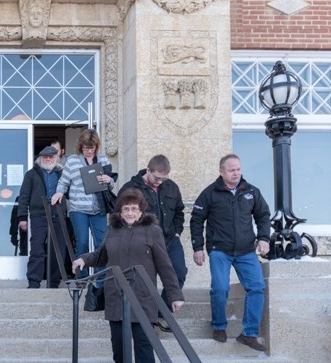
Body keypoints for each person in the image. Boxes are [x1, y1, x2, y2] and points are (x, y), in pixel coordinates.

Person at [72, 188, 185, 363]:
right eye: (126, 209)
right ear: (120, 211)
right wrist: (83, 260)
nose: (130, 213)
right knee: (119, 349)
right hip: (116, 297)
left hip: (143, 297)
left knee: (144, 347)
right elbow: (100, 255)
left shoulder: (152, 230)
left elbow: (165, 265)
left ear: (141, 211)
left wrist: (174, 295)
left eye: (134, 208)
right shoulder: (112, 230)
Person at [190, 154, 270, 352]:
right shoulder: (210, 193)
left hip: (246, 251)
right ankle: (218, 326)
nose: (236, 173)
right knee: (220, 288)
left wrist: (264, 238)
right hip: (220, 250)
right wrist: (198, 247)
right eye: (232, 170)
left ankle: (249, 334)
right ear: (222, 172)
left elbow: (263, 215)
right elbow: (196, 220)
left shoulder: (251, 191)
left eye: (238, 169)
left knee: (257, 287)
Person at [118, 154, 187, 333]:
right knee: (143, 280)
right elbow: (119, 216)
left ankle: (160, 314)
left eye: (164, 178)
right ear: (148, 170)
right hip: (143, 242)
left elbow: (180, 211)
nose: (159, 182)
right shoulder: (131, 188)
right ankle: (143, 318)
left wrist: (178, 231)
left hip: (170, 240)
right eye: (157, 178)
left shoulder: (171, 187)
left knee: (179, 272)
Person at [51, 129, 115, 279]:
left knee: (101, 243)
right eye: (86, 147)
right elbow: (64, 182)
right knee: (82, 242)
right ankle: (82, 278)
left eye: (92, 148)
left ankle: (101, 279)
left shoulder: (103, 160)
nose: (89, 151)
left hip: (98, 208)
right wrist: (59, 192)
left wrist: (109, 180)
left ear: (96, 147)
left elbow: (110, 184)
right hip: (78, 208)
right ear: (81, 146)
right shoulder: (72, 161)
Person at [18, 146, 67, 288]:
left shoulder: (62, 174)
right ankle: (34, 281)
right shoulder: (31, 174)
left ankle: (54, 283)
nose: (48, 159)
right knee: (37, 248)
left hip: (58, 215)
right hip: (38, 215)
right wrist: (22, 217)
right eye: (45, 157)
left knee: (58, 249)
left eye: (51, 157)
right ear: (40, 158)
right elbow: (24, 196)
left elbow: (70, 192)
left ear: (56, 158)